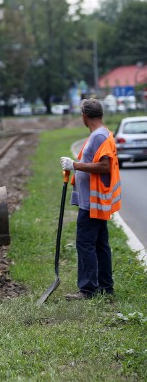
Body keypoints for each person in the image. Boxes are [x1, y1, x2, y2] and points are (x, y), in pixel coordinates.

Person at [60, 98, 121, 300]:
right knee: (100, 244)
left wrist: (75, 165)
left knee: (85, 243)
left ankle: (88, 290)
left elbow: (104, 166)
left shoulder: (99, 137)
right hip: (95, 201)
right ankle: (105, 287)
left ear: (85, 116)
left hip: (92, 203)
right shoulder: (100, 134)